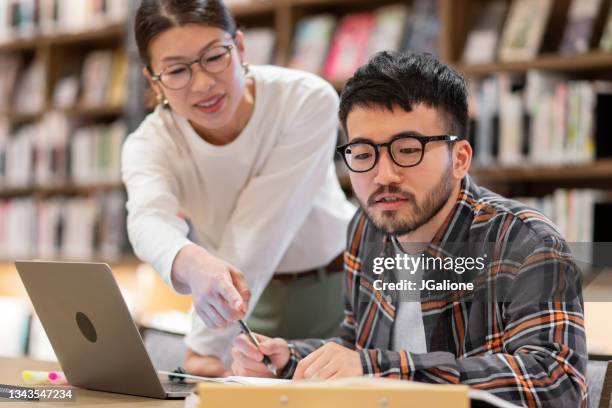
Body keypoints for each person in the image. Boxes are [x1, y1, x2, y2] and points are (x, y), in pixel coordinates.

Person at [231, 52, 587, 407]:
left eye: (407, 149)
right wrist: (289, 360)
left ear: (460, 158)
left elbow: (554, 383)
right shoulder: (366, 228)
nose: (383, 176)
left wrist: (377, 370)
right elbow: (359, 348)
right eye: (363, 153)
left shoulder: (526, 241)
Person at [122, 0, 355, 375]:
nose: (203, 84)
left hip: (337, 289)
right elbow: (148, 220)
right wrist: (190, 259)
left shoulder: (305, 99)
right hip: (242, 301)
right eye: (177, 70)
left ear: (241, 47)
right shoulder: (150, 143)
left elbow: (262, 226)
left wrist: (203, 345)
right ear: (154, 81)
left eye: (214, 57)